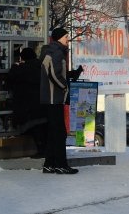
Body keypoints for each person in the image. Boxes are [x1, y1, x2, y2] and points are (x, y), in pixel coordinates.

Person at [39, 28, 80, 175]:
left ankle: (49, 164)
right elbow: (53, 73)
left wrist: (71, 75)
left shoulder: (52, 50)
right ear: (58, 38)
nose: (67, 39)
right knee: (59, 133)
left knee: (54, 132)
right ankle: (61, 165)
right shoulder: (56, 51)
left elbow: (55, 72)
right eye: (65, 36)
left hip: (52, 98)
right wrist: (64, 86)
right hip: (53, 98)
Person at [9, 47, 47, 157]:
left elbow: (12, 77)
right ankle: (44, 149)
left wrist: (14, 66)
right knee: (42, 127)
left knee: (35, 128)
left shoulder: (23, 68)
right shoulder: (41, 66)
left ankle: (41, 150)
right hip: (43, 102)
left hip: (29, 105)